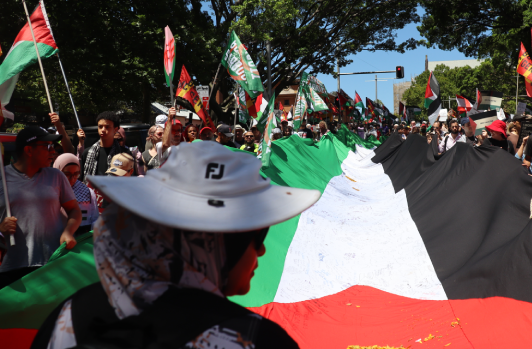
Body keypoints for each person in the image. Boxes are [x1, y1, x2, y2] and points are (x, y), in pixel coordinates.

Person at [32, 142, 320, 349]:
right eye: (257, 235)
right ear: (217, 241)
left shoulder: (69, 313)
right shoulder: (251, 337)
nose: (262, 251)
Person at [0, 127, 81, 289]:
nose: (53, 152)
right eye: (47, 146)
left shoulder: (56, 176)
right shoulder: (2, 177)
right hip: (13, 268)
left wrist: (68, 231)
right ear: (29, 150)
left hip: (53, 262)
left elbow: (74, 210)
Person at [53, 153, 99, 235]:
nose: (72, 178)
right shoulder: (50, 192)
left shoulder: (87, 192)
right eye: (67, 174)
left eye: (76, 174)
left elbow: (94, 219)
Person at [80, 111, 129, 182]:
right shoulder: (87, 153)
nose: (103, 130)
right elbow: (82, 179)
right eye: (100, 126)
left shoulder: (125, 154)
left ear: (115, 129)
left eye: (107, 127)